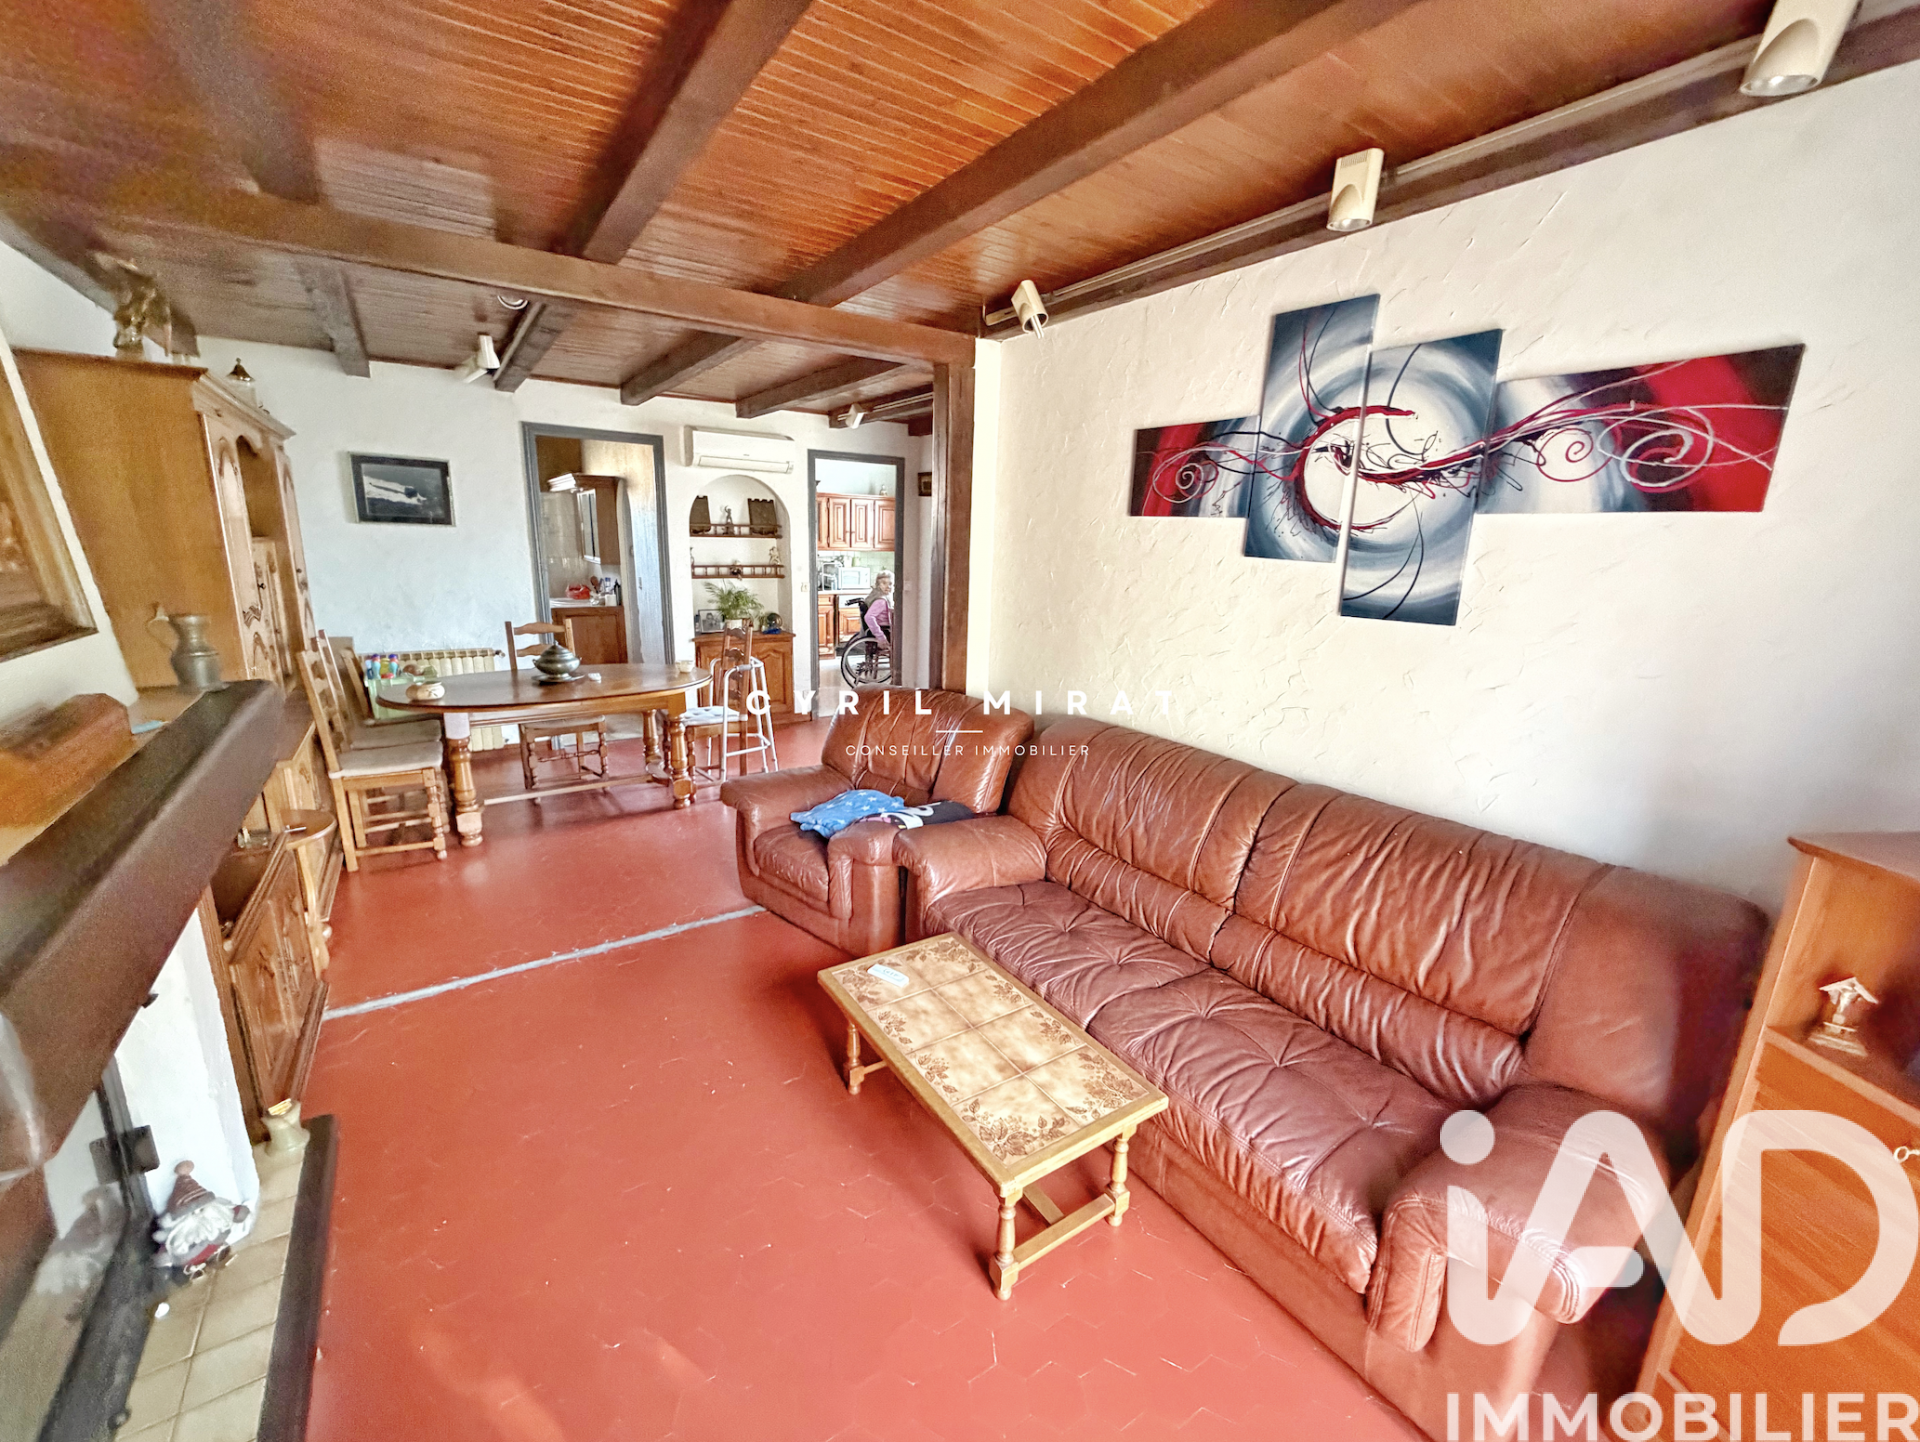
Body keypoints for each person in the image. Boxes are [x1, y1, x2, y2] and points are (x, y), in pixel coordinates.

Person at [861, 572, 893, 643]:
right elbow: (869, 617)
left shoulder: (879, 596)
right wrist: (881, 637)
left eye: (890, 584)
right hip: (884, 630)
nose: (888, 586)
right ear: (878, 585)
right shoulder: (881, 601)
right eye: (884, 583)